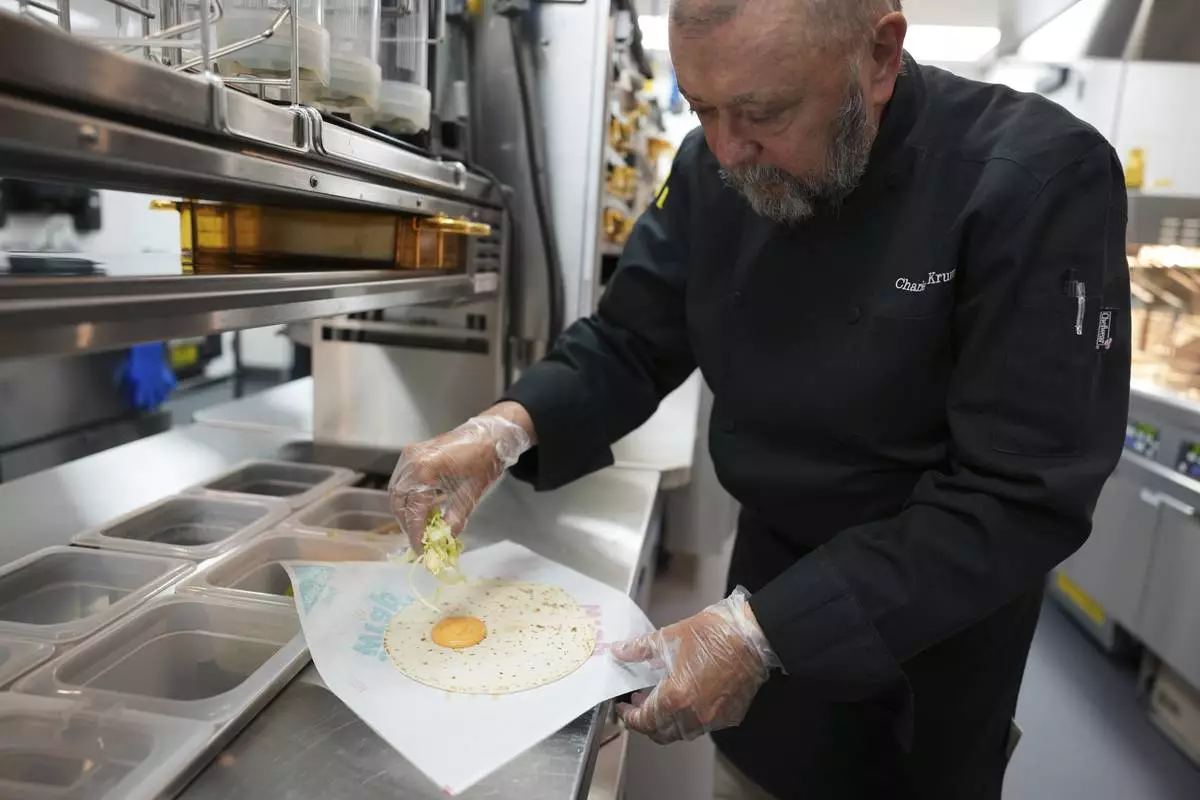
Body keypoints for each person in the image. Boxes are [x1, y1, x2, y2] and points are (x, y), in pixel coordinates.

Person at [388, 0, 1131, 796]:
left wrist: (764, 634)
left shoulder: (1038, 178)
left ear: (879, 57)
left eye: (762, 112)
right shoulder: (713, 168)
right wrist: (506, 426)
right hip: (760, 592)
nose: (726, 149)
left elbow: (1017, 495)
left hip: (922, 643)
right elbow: (630, 340)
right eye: (699, 107)